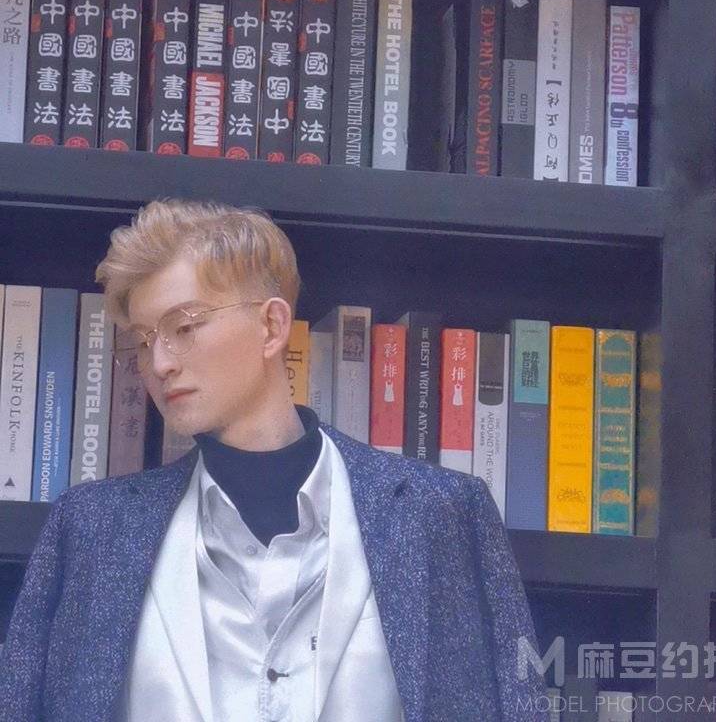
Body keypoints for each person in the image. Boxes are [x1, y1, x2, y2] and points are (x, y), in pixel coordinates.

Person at [0, 199, 549, 722]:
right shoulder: (90, 528)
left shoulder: (442, 513)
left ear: (271, 326)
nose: (159, 363)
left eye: (183, 327)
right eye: (144, 342)